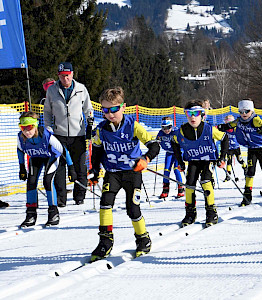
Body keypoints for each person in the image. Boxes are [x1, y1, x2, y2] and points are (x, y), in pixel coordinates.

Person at [88, 87, 160, 261]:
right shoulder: (101, 129)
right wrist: (95, 171)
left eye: (114, 109)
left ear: (123, 107)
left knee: (132, 208)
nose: (110, 114)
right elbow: (96, 151)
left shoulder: (132, 126)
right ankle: (105, 241)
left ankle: (143, 238)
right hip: (112, 173)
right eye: (105, 110)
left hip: (132, 173)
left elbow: (155, 145)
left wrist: (146, 159)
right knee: (105, 204)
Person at [171, 99, 228, 227]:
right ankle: (190, 213)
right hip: (193, 161)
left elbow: (225, 138)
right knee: (189, 184)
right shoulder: (182, 130)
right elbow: (174, 142)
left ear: (202, 114)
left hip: (208, 160)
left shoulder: (209, 129)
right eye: (189, 113)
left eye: (196, 113)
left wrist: (222, 158)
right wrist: (180, 162)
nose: (192, 117)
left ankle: (211, 212)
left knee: (206, 182)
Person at [44, 62, 94, 207]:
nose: (64, 79)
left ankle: (80, 196)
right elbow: (47, 111)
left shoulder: (81, 89)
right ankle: (61, 198)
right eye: (61, 76)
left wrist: (90, 122)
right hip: (59, 134)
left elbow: (88, 108)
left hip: (78, 134)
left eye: (67, 75)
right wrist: (48, 127)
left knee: (80, 165)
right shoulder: (52, 90)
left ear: (72, 74)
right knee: (60, 167)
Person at [17, 111, 77, 228]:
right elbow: (20, 150)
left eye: (29, 127)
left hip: (51, 157)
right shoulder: (21, 137)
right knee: (31, 183)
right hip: (36, 158)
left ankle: (53, 213)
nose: (26, 131)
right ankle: (31, 215)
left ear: (35, 125)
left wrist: (71, 168)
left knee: (47, 181)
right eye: (23, 128)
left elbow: (63, 150)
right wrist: (22, 168)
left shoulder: (45, 135)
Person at [217, 99, 262, 206]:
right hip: (252, 149)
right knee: (250, 172)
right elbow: (229, 125)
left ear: (251, 110)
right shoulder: (239, 121)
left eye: (246, 111)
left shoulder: (254, 120)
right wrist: (220, 127)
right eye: (241, 112)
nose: (244, 114)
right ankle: (247, 195)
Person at [156, 117, 184, 199]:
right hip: (169, 153)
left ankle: (181, 189)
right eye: (164, 127)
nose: (166, 130)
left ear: (171, 126)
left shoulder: (176, 132)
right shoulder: (161, 133)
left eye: (168, 127)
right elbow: (157, 140)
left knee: (176, 169)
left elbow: (183, 140)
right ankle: (165, 190)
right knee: (166, 171)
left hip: (178, 154)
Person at [222, 114, 247, 182]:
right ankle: (228, 175)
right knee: (229, 161)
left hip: (236, 148)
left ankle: (245, 169)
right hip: (229, 148)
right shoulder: (225, 130)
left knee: (240, 159)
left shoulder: (236, 130)